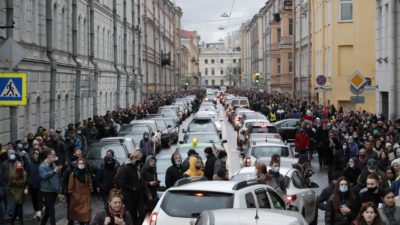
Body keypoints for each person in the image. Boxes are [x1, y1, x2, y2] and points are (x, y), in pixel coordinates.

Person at [113, 150, 150, 225]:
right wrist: (132, 188)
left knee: (142, 213)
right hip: (129, 196)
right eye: (138, 158)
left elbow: (141, 181)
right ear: (133, 158)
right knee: (132, 215)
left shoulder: (136, 168)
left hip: (138, 195)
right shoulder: (126, 168)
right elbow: (120, 182)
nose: (140, 160)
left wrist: (147, 192)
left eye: (140, 158)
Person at [39, 148, 62, 225]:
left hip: (54, 190)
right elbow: (44, 176)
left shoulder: (53, 164)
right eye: (53, 154)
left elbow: (57, 177)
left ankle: (42, 223)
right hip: (46, 191)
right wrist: (53, 171)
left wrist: (59, 187)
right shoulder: (42, 166)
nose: (54, 156)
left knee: (48, 210)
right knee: (52, 210)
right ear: (48, 155)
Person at [67, 158, 93, 225]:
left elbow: (89, 183)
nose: (81, 165)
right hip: (76, 196)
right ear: (77, 164)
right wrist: (72, 194)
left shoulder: (87, 173)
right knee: (76, 213)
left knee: (86, 211)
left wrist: (90, 190)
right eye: (79, 163)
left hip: (85, 195)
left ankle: (86, 222)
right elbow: (70, 186)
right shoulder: (73, 174)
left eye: (82, 163)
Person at [26, 150, 43, 221]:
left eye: (37, 154)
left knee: (39, 199)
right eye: (34, 154)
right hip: (32, 185)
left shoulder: (41, 164)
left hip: (40, 185)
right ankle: (36, 212)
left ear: (39, 155)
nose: (36, 155)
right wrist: (27, 185)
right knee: (34, 199)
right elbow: (27, 174)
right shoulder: (29, 164)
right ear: (33, 155)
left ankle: (39, 213)